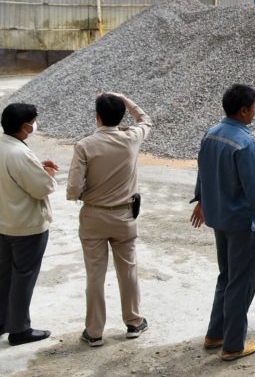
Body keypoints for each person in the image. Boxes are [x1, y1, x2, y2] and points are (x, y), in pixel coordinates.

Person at [190, 84, 255, 361]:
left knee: (227, 277)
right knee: (241, 283)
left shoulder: (211, 134)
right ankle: (233, 345)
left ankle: (215, 334)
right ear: (243, 110)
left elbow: (203, 171)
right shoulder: (244, 143)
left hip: (220, 219)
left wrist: (201, 200)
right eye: (254, 107)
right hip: (243, 225)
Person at [66, 92, 152, 347]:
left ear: (97, 117)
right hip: (125, 215)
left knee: (95, 275)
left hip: (94, 215)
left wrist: (86, 194)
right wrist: (125, 99)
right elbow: (146, 120)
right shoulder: (131, 138)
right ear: (121, 116)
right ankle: (134, 322)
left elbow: (73, 189)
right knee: (128, 270)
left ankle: (94, 332)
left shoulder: (84, 146)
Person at [0, 102, 58, 346]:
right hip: (25, 225)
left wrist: (36, 168)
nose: (35, 125)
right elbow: (41, 188)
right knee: (23, 275)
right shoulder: (19, 153)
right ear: (25, 126)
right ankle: (19, 330)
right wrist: (47, 175)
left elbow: (13, 177)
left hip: (3, 221)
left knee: (4, 271)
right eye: (33, 122)